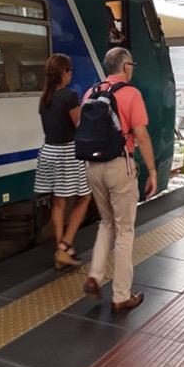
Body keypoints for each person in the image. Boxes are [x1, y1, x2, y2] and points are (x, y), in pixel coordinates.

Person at [83, 47, 157, 312]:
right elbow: (142, 135)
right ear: (125, 66)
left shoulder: (91, 93)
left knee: (106, 223)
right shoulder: (130, 93)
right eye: (132, 65)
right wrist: (153, 170)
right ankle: (121, 296)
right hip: (119, 165)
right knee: (125, 231)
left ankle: (95, 274)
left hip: (93, 166)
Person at [34, 53, 91, 269]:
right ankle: (65, 246)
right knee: (84, 198)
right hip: (68, 152)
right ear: (64, 72)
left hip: (48, 151)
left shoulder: (44, 98)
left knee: (58, 202)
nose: (71, 74)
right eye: (70, 71)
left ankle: (61, 249)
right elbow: (80, 126)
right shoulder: (69, 96)